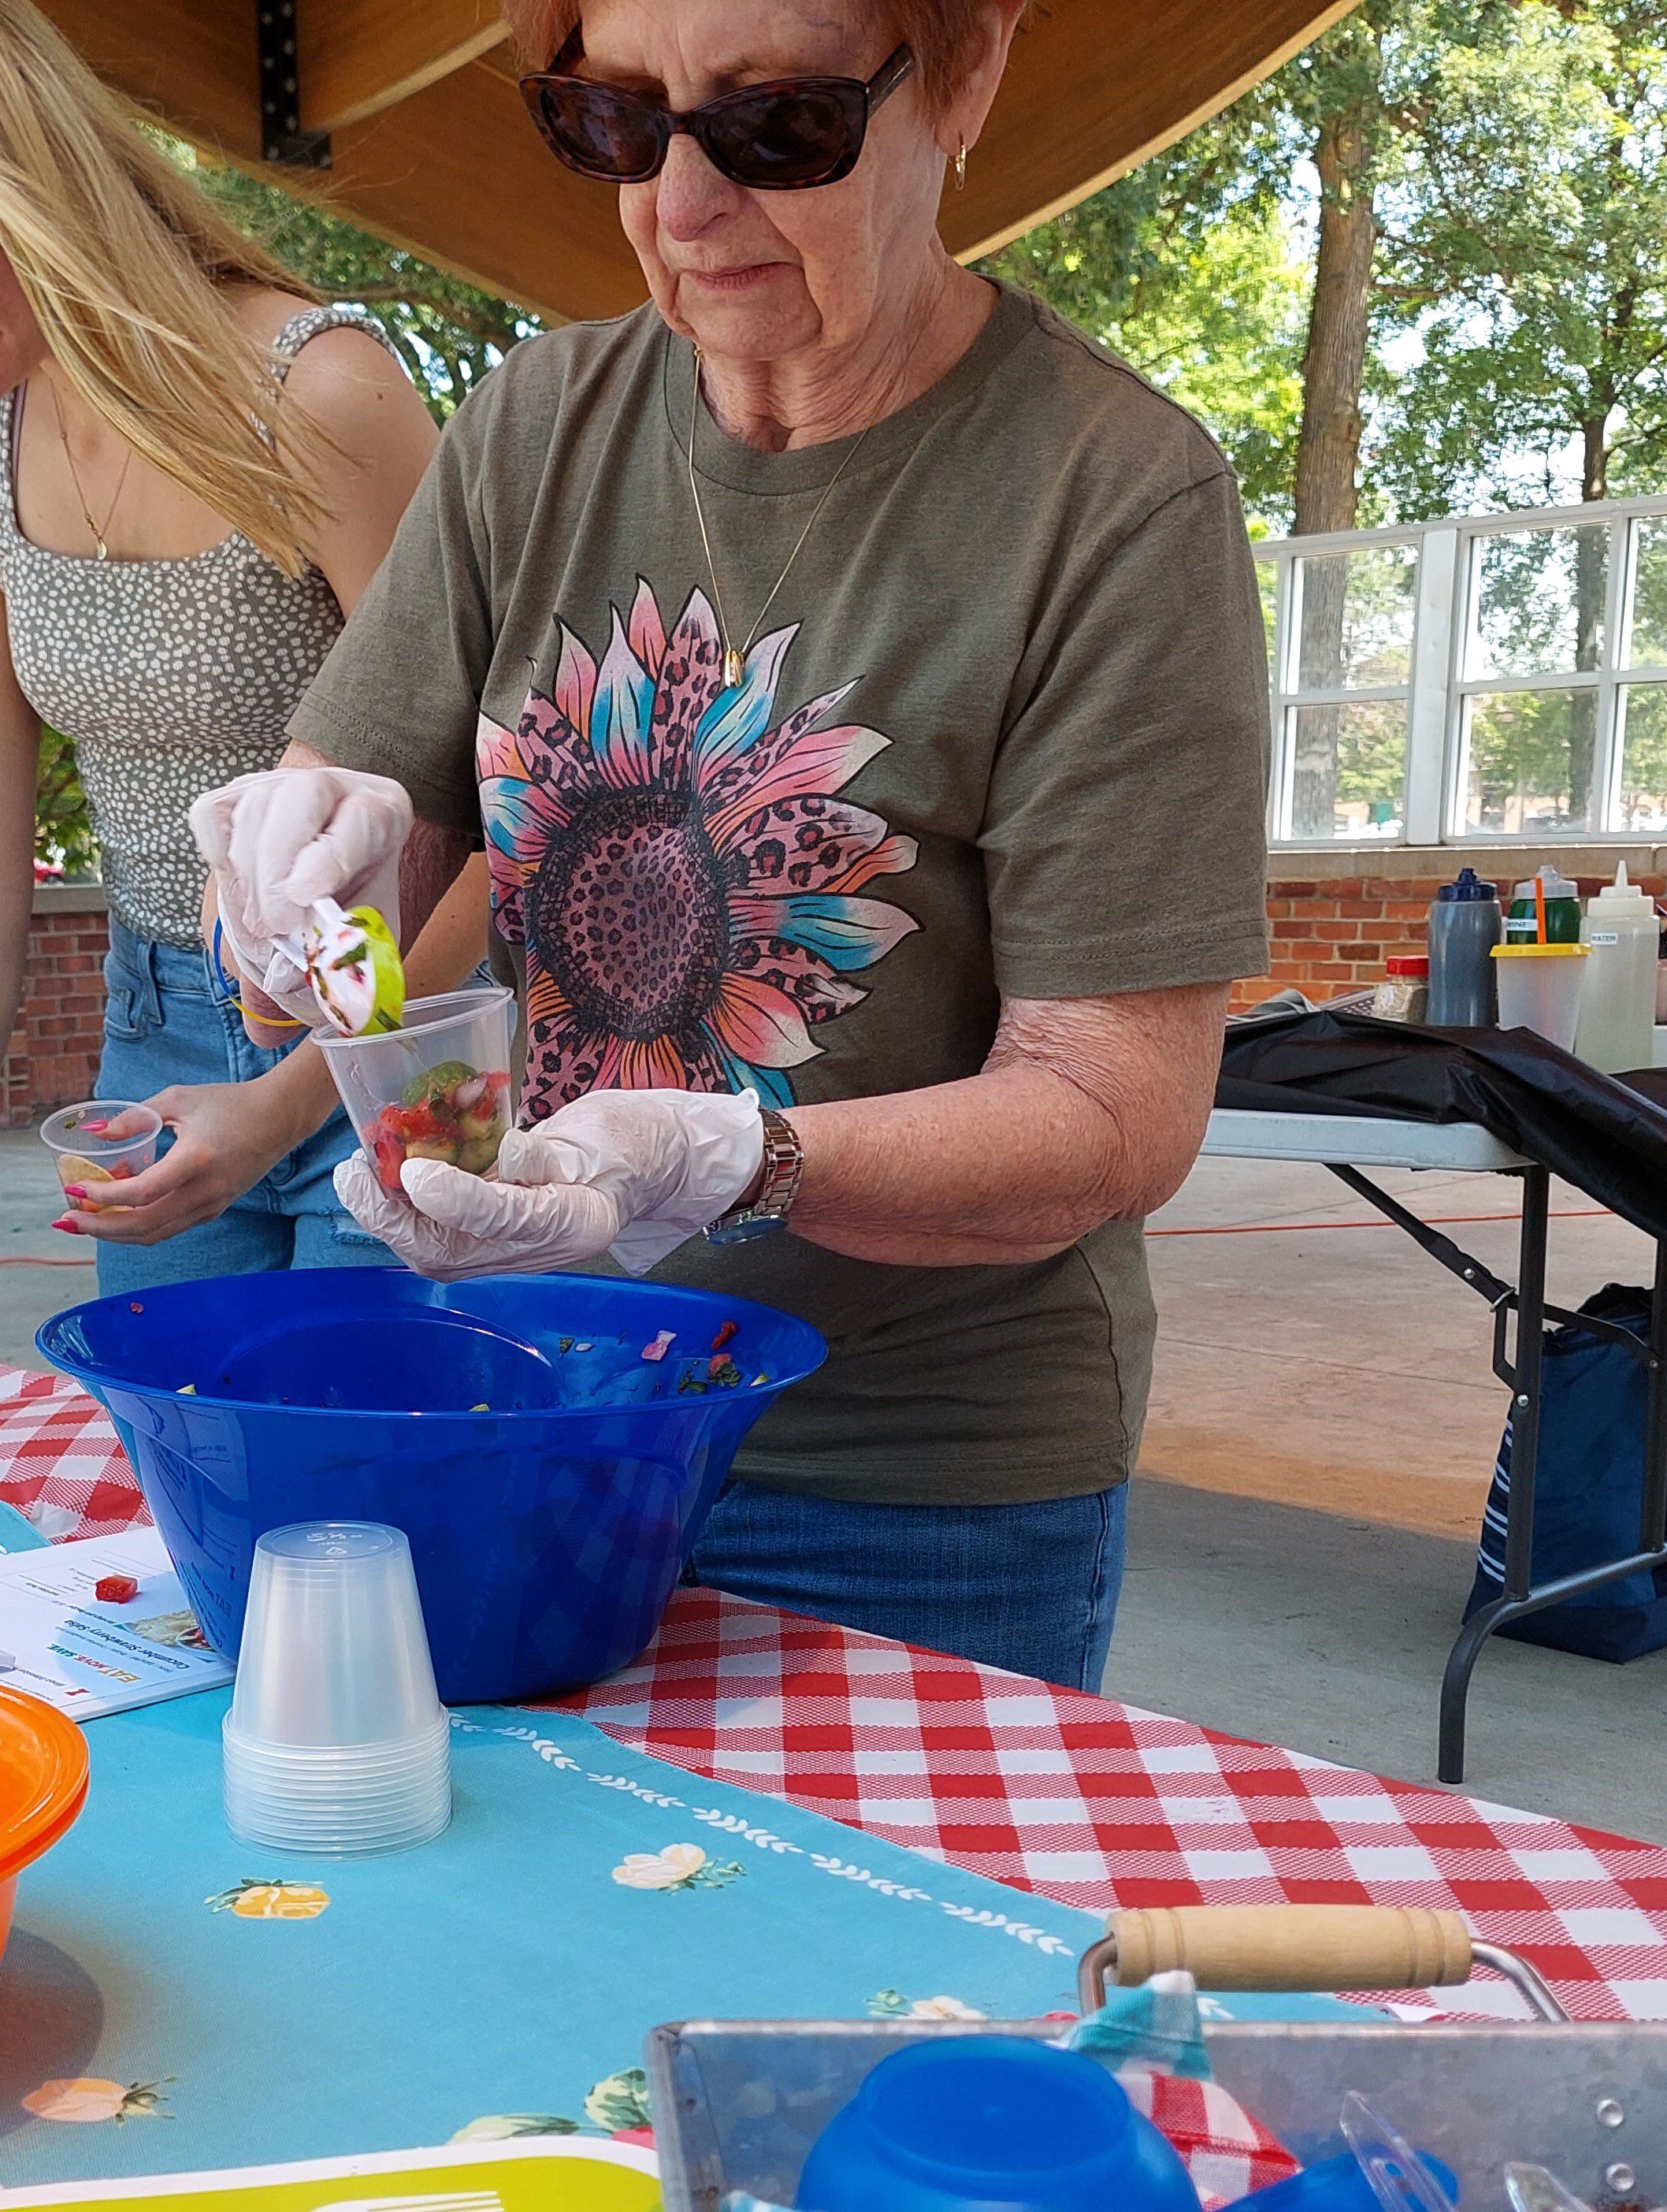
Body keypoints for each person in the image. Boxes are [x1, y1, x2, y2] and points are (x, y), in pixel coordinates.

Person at [199, 0, 1272, 1692]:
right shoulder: (530, 427)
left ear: (967, 71)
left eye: (775, 126)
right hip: (537, 1397)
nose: (677, 212)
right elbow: (351, 912)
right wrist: (289, 897)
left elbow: (1109, 1116)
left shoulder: (1107, 497)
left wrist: (735, 1159)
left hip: (897, 1474)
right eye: (615, 122)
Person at [0, 0, 485, 1359]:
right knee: (176, 1492)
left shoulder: (317, 395)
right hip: (154, 1030)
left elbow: (497, 829)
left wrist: (295, 1096)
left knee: (367, 1488)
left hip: (383, 1024)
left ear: (9, 146)